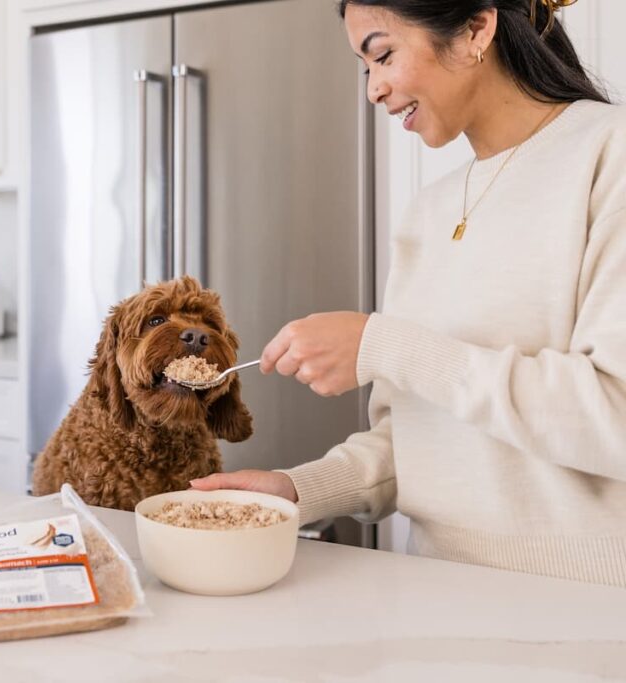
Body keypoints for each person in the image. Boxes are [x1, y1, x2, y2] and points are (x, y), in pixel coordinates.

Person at [191, 0, 626, 587]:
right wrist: (295, 490)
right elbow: (418, 438)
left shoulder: (609, 155)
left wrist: (383, 345)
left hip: (587, 605)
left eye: (384, 55)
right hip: (434, 590)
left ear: (476, 29)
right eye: (365, 68)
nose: (374, 89)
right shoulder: (429, 211)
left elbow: (614, 416)